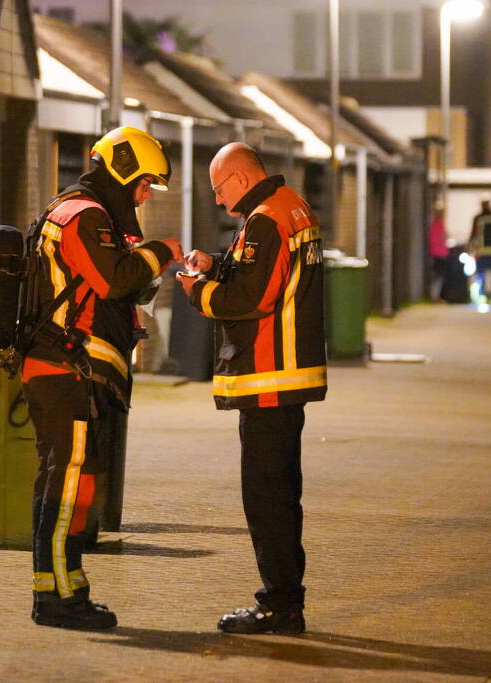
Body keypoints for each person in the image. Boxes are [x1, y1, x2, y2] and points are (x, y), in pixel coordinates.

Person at [23, 126, 182, 630]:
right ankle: (56, 599)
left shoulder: (94, 214)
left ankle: (65, 588)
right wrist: (162, 251)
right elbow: (112, 278)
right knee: (68, 481)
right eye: (143, 184)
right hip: (63, 368)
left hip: (75, 370)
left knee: (77, 480)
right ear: (122, 170)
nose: (143, 196)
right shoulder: (82, 215)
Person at [177, 142, 327, 635]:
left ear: (240, 178)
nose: (220, 201)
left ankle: (279, 605)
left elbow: (252, 295)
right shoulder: (292, 208)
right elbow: (262, 272)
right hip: (289, 377)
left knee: (266, 497)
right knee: (283, 493)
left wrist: (198, 291)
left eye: (220, 190)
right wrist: (216, 263)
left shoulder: (266, 218)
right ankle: (287, 600)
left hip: (269, 375)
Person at [469, 195, 491, 302]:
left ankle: (482, 296)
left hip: (482, 252)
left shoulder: (478, 218)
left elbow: (473, 234)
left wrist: (470, 247)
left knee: (481, 275)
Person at [429, 202, 449, 302]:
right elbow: (440, 239)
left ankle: (436, 295)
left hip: (439, 253)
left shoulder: (437, 224)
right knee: (439, 276)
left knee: (439, 275)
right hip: (438, 254)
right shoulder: (437, 224)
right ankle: (435, 296)